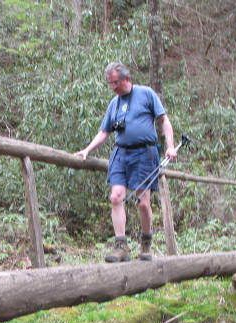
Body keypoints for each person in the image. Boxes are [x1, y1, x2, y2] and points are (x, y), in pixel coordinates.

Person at [76, 62, 177, 262]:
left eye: (115, 82)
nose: (113, 87)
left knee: (143, 203)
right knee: (116, 197)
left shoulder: (146, 94)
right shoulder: (114, 104)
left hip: (145, 154)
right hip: (121, 154)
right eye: (110, 83)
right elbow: (104, 132)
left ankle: (146, 243)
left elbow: (164, 120)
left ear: (127, 79)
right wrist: (87, 150)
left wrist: (170, 145)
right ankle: (121, 246)